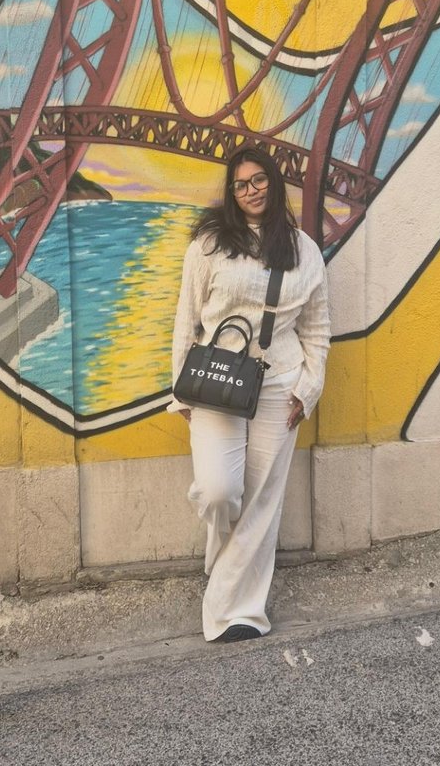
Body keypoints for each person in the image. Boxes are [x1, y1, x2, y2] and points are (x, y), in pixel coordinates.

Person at [170, 146, 331, 643]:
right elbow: (186, 321)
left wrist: (308, 388)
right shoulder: (209, 245)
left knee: (261, 501)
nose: (251, 191)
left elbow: (317, 328)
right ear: (231, 192)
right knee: (219, 491)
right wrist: (182, 392)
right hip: (216, 381)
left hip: (280, 382)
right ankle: (225, 561)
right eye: (241, 185)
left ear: (274, 183)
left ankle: (236, 611)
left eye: (259, 180)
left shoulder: (304, 250)